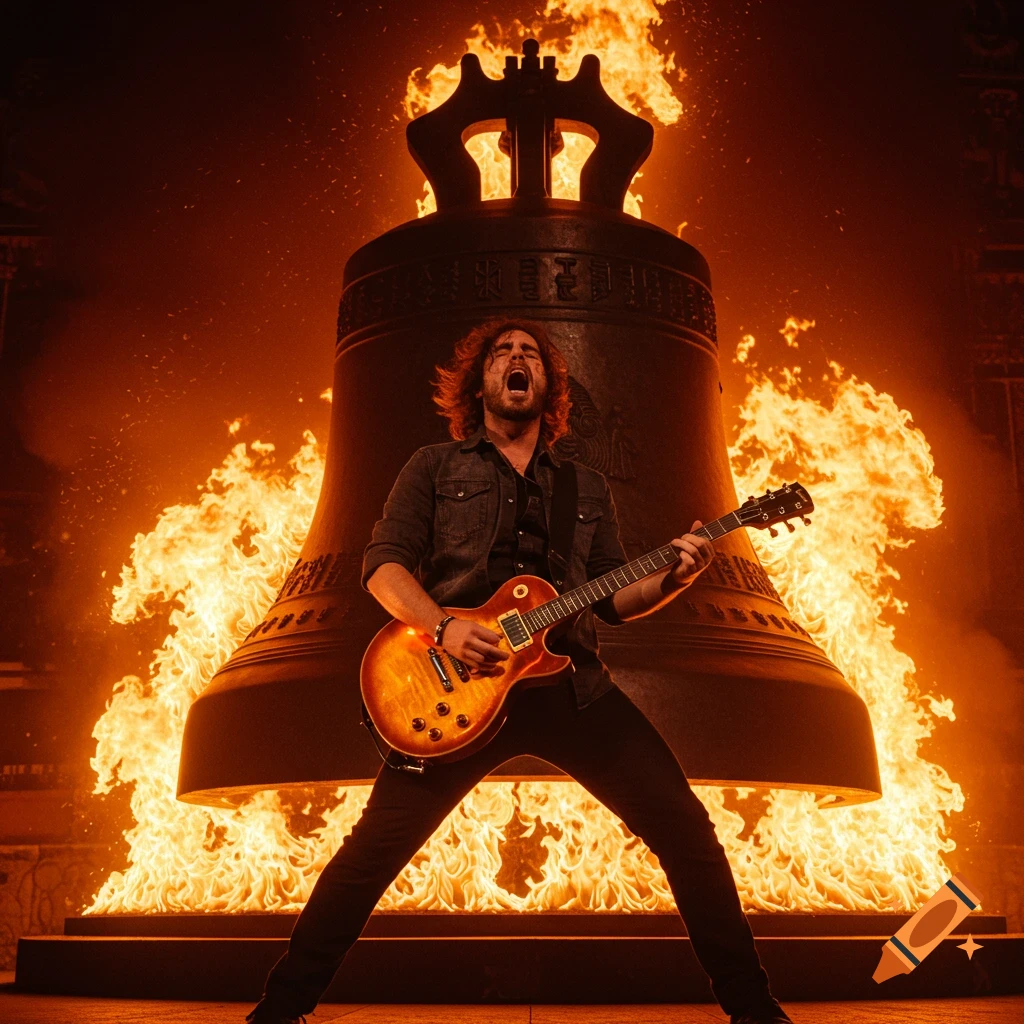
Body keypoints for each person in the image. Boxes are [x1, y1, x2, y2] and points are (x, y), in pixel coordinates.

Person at [246, 317, 792, 1024]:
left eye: (530, 353)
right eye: (502, 351)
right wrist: (444, 627)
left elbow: (613, 598)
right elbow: (382, 567)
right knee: (370, 854)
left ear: (546, 386)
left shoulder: (583, 486)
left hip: (570, 689)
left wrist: (676, 576)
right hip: (456, 689)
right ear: (480, 383)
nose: (516, 358)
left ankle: (753, 1008)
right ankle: (279, 1009)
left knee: (687, 832)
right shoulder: (433, 468)